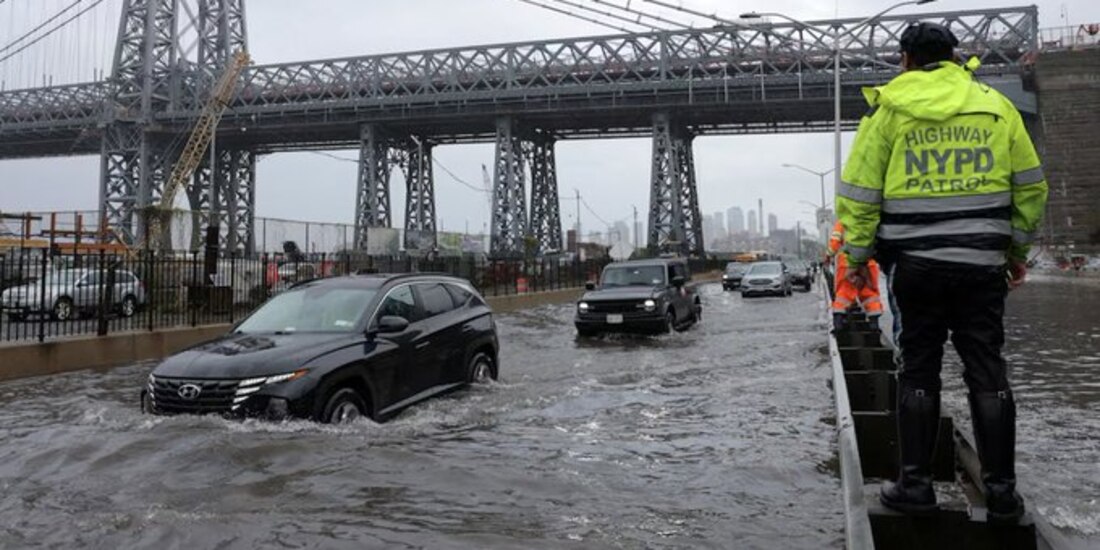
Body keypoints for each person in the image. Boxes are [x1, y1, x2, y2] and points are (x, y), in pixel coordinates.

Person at [836, 21, 1048, 521]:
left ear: (905, 59)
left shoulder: (889, 111)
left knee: (918, 368)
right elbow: (1030, 187)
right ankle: (1002, 495)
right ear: (956, 57)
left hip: (916, 268)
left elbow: (860, 196)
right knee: (987, 370)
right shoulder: (996, 107)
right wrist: (1016, 251)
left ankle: (915, 487)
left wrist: (857, 260)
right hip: (981, 266)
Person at [827, 220, 882, 331]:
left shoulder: (844, 221)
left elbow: (834, 243)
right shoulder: (871, 219)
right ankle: (874, 324)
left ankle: (838, 324)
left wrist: (828, 254)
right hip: (868, 260)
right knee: (870, 293)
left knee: (844, 291)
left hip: (847, 261)